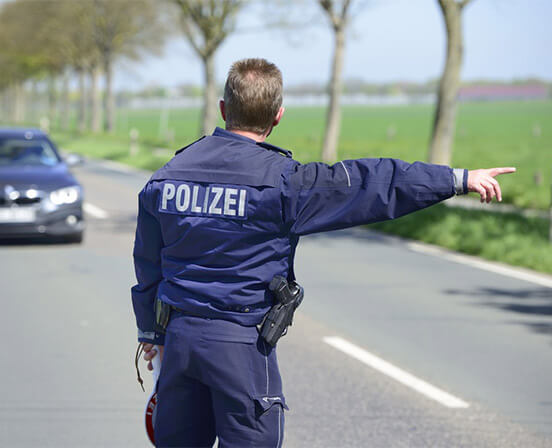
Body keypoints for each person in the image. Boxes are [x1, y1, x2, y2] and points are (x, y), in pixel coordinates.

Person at [131, 58, 515, 447]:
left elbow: (148, 263)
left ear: (223, 109)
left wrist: (151, 331)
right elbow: (369, 183)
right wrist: (457, 179)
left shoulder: (167, 175)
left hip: (179, 343)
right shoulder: (285, 183)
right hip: (241, 348)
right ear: (278, 116)